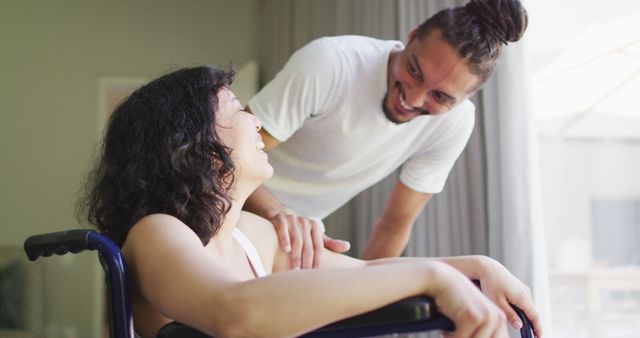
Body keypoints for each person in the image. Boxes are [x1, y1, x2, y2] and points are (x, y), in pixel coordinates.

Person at [79, 65, 541, 338]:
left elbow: (364, 273)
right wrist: (433, 277)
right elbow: (235, 312)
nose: (256, 120)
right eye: (239, 109)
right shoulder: (157, 232)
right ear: (196, 143)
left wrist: (478, 267)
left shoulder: (251, 238)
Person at [243, 0, 529, 264]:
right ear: (412, 36)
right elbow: (226, 155)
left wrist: (368, 301)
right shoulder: (332, 63)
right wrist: (278, 214)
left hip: (299, 229)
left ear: (466, 98)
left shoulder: (455, 123)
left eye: (441, 97)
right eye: (415, 71)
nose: (413, 99)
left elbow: (393, 226)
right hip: (230, 200)